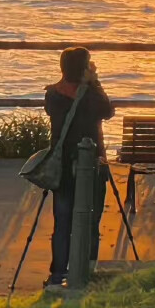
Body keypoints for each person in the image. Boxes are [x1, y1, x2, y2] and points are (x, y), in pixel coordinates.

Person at [44, 46, 115, 286]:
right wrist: (95, 83)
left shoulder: (53, 95)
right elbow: (108, 111)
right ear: (83, 69)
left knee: (62, 222)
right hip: (93, 166)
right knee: (91, 221)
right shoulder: (92, 96)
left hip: (62, 167)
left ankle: (57, 274)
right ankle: (86, 270)